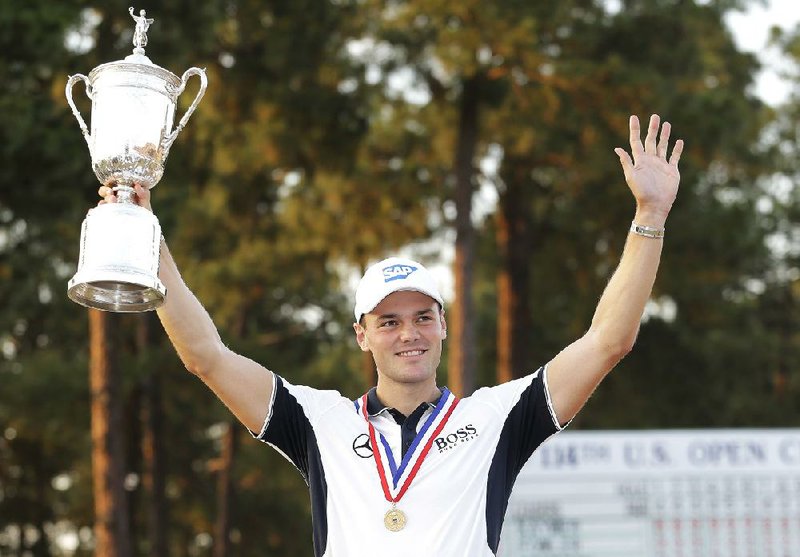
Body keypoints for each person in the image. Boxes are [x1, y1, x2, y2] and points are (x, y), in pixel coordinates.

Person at [98, 114, 683, 555]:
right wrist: (148, 235)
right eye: (389, 321)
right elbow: (206, 356)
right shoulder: (319, 422)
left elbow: (609, 341)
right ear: (362, 336)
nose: (410, 334)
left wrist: (649, 217)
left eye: (423, 317)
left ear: (444, 326)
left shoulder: (498, 417)